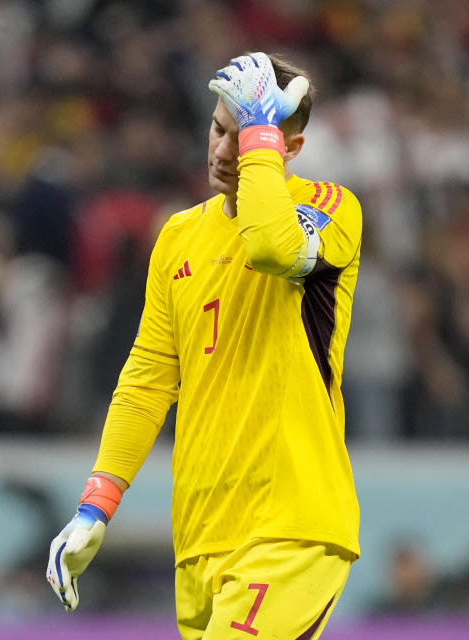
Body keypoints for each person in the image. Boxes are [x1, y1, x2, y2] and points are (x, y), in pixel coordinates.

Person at [46, 52, 363, 639]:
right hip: (200, 538)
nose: (221, 151)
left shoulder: (331, 209)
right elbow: (146, 381)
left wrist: (261, 134)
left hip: (290, 528)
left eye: (243, 137)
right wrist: (96, 506)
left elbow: (273, 246)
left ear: (284, 148)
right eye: (218, 129)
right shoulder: (178, 236)